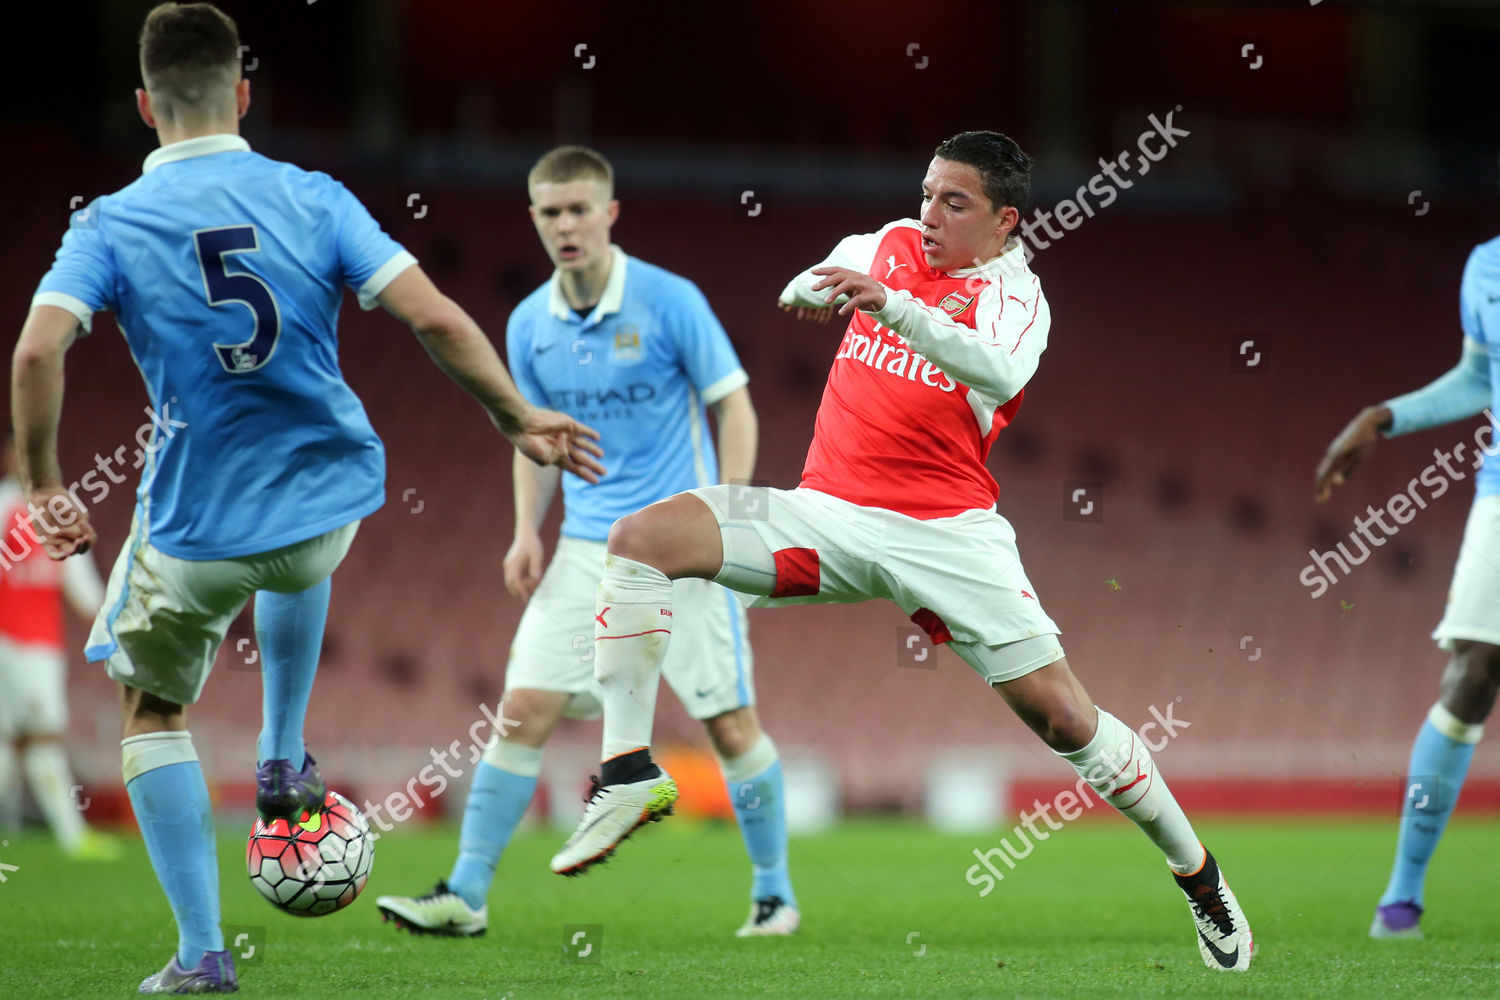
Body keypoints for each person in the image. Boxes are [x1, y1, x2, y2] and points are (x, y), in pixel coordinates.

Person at [549, 130, 1255, 973]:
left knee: (1066, 718)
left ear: (1004, 223)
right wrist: (810, 292)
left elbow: (995, 371)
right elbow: (801, 286)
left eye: (954, 203)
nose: (929, 214)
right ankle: (627, 769)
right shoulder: (882, 243)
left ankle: (1198, 873)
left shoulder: (1017, 296)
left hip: (947, 536)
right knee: (638, 541)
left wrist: (891, 306)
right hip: (827, 514)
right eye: (926, 193)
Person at [11, 3, 601, 993]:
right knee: (298, 545)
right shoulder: (315, 195)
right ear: (245, 95)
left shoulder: (108, 222)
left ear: (147, 106)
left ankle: (202, 953)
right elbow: (436, 317)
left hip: (197, 523)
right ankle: (286, 750)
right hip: (327, 508)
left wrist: (44, 480)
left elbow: (36, 350)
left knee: (152, 708)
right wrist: (514, 416)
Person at [375, 145, 798, 939]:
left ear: (609, 213)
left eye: (579, 209)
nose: (566, 225)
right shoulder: (528, 323)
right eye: (550, 212)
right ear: (534, 219)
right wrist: (524, 533)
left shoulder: (670, 302)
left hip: (682, 551)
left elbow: (733, 406)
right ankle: (466, 894)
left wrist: (729, 514)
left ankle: (774, 892)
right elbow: (532, 438)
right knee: (522, 711)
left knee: (730, 726)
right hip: (583, 549)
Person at [1314, 234, 1500, 940]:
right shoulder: (1485, 265)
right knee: (1473, 671)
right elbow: (1483, 378)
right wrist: (1382, 416)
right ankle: (1402, 898)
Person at [0, 432, 120, 860]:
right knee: (42, 733)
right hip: (12, 641)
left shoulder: (59, 512)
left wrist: (113, 620)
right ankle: (73, 836)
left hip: (44, 643)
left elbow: (84, 589)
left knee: (14, 740)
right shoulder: (4, 507)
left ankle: (72, 835)